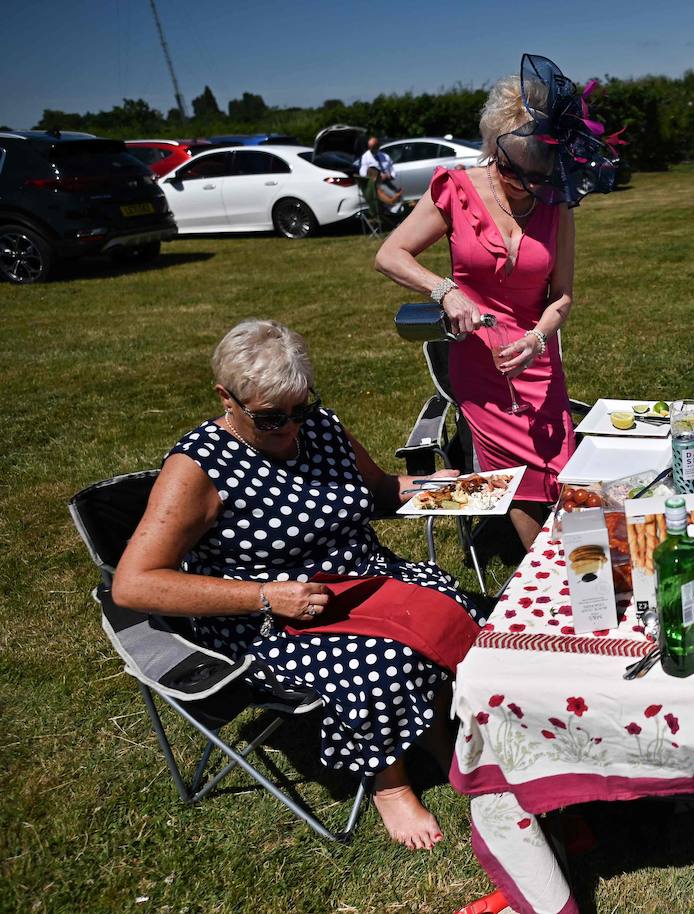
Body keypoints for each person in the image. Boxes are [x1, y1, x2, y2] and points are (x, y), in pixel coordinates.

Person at [112, 319, 478, 851]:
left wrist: (452, 488)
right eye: (270, 418)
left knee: (456, 603)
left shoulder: (321, 427)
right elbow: (133, 584)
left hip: (363, 578)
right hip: (271, 616)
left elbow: (376, 491)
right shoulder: (199, 467)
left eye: (299, 409)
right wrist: (263, 596)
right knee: (377, 661)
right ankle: (389, 782)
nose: (289, 428)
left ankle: (437, 732)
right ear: (226, 398)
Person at [375, 54, 619, 550]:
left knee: (560, 476)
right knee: (525, 488)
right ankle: (556, 573)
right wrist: (446, 291)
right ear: (494, 148)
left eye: (535, 175)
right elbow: (390, 254)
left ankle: (579, 567)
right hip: (481, 370)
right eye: (511, 171)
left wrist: (536, 338)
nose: (523, 185)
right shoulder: (455, 190)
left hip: (536, 357)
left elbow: (563, 296)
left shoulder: (556, 206)